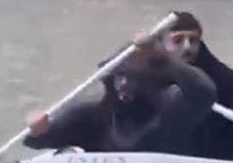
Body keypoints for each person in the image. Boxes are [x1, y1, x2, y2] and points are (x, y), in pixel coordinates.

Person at [23, 30, 217, 155]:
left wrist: (162, 58)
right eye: (119, 76)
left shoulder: (172, 106)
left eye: (132, 77)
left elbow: (205, 92)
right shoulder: (94, 111)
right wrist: (40, 129)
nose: (123, 84)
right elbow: (37, 141)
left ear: (149, 79)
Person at [162, 11, 233, 160]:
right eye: (178, 41)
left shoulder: (225, 79)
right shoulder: (148, 79)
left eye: (193, 40)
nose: (187, 47)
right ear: (162, 44)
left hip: (220, 159)